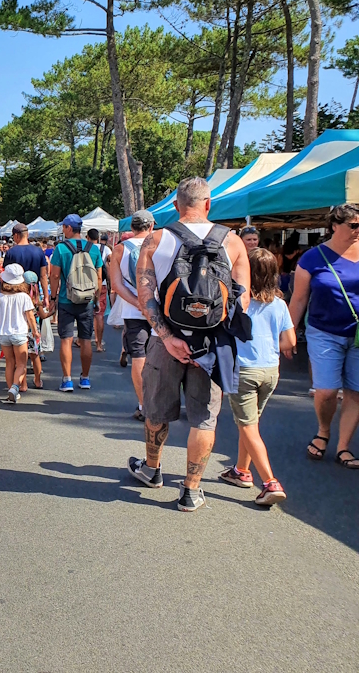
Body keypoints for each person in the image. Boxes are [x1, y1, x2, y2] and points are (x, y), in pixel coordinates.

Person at [127, 176, 251, 512]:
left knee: (155, 411)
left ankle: (152, 469)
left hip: (163, 341)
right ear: (209, 204)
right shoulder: (234, 242)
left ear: (175, 205)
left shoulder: (155, 239)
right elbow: (243, 302)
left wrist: (168, 338)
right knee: (204, 420)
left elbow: (146, 297)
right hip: (211, 347)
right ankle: (191, 490)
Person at [220, 248, 294, 505]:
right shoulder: (280, 304)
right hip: (270, 370)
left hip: (244, 369)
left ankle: (270, 482)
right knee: (250, 424)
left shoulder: (238, 302)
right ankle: (241, 470)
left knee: (248, 426)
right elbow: (289, 341)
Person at [290, 204, 359, 469]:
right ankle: (324, 430)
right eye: (353, 225)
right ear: (334, 226)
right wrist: (288, 333)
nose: (357, 231)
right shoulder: (312, 258)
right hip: (324, 332)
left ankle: (343, 447)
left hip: (357, 335)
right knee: (327, 390)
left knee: (355, 392)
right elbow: (298, 299)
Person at [109, 210, 155, 421]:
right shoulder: (161, 244)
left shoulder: (120, 249)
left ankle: (143, 405)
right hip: (160, 308)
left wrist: (138, 303)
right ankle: (162, 402)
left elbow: (116, 285)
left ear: (132, 227)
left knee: (138, 356)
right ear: (151, 226)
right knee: (163, 355)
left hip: (133, 310)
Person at [49, 215, 104, 392]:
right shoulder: (94, 249)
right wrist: (95, 298)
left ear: (69, 228)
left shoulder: (61, 249)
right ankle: (85, 378)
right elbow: (99, 277)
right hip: (86, 300)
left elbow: (55, 275)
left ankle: (67, 380)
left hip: (67, 299)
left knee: (66, 339)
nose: (63, 230)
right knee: (86, 339)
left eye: (64, 227)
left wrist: (53, 298)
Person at [0, 263, 40, 403]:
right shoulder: (24, 297)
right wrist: (35, 331)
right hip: (20, 334)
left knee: (9, 364)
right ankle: (14, 387)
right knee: (21, 365)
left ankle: (11, 390)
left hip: (4, 334)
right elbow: (30, 316)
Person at [3, 223, 51, 308]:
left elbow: (6, 276)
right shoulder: (39, 251)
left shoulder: (11, 252)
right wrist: (46, 297)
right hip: (34, 294)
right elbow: (43, 276)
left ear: (16, 235)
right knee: (34, 318)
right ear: (27, 234)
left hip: (16, 294)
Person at [25, 270, 53, 389]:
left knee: (20, 359)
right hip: (33, 332)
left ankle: (22, 383)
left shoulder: (21, 297)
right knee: (35, 357)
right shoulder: (37, 300)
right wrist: (52, 311)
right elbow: (43, 316)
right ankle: (37, 379)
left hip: (21, 330)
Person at [87, 229, 112, 352]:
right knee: (99, 314)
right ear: (98, 237)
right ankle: (99, 343)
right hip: (101, 284)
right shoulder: (105, 249)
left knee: (86, 314)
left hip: (85, 285)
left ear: (87, 237)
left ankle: (83, 341)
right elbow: (110, 263)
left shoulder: (85, 248)